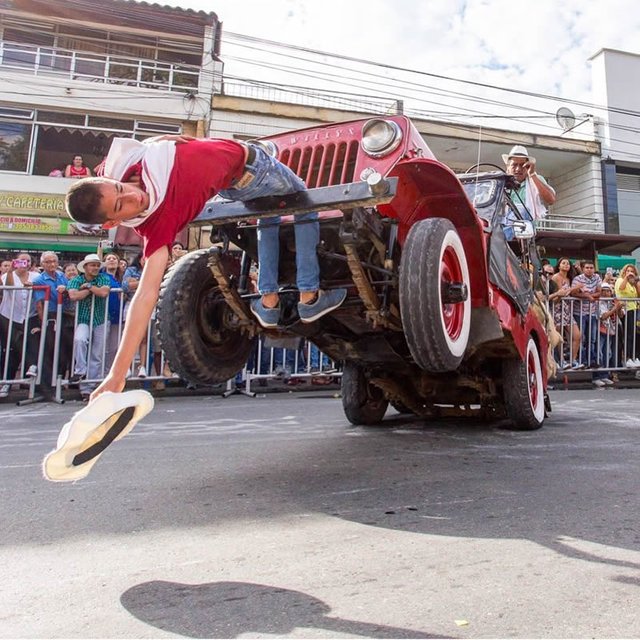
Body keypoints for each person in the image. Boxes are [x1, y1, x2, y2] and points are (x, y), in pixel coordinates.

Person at [64, 135, 347, 400]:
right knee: (305, 205)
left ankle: (269, 299)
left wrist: (184, 142)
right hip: (252, 168)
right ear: (113, 224)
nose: (133, 197)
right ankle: (309, 295)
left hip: (232, 182)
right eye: (120, 205)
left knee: (268, 216)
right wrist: (117, 373)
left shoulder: (123, 165)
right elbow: (146, 295)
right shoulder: (159, 222)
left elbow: (160, 140)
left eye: (119, 189)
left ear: (109, 179)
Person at [67, 254, 110, 400]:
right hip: (83, 319)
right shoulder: (76, 280)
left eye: (97, 265)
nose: (96, 268)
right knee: (80, 340)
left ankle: (89, 387)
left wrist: (89, 287)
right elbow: (73, 296)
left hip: (101, 319)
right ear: (85, 267)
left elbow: (104, 292)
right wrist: (90, 290)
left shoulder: (103, 278)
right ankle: (80, 371)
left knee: (96, 355)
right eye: (93, 265)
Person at [32, 251, 68, 399]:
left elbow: (68, 291)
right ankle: (46, 387)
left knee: (63, 350)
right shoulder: (39, 280)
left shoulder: (61, 276)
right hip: (50, 316)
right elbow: (39, 304)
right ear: (42, 264)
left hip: (64, 315)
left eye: (54, 261)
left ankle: (58, 383)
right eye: (48, 262)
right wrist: (44, 322)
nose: (51, 264)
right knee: (49, 350)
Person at [502, 145, 556, 240]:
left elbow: (551, 200)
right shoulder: (501, 182)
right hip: (503, 228)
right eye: (514, 165)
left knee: (523, 210)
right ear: (508, 167)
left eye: (522, 165)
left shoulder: (535, 179)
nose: (518, 169)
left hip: (527, 233)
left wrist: (532, 174)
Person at [551, 257, 583, 370]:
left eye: (568, 263)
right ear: (559, 266)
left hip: (568, 310)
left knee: (577, 335)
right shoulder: (556, 277)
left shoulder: (570, 278)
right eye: (563, 263)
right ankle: (561, 360)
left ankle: (572, 360)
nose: (566, 265)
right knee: (559, 337)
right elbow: (562, 293)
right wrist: (575, 288)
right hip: (558, 309)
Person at [571, 260, 602, 368]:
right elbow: (574, 293)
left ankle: (591, 360)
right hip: (579, 312)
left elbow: (599, 291)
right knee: (581, 338)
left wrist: (589, 295)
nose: (589, 270)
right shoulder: (578, 279)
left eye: (591, 267)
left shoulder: (597, 277)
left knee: (592, 338)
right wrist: (587, 296)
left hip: (592, 312)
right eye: (587, 268)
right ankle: (582, 361)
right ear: (583, 269)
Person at [593, 282, 623, 387]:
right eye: (603, 290)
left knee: (608, 353)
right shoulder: (599, 302)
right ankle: (596, 377)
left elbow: (621, 314)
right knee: (599, 354)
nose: (606, 293)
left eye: (608, 290)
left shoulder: (612, 301)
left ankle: (604, 375)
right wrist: (615, 308)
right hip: (601, 330)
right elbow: (603, 316)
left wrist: (618, 307)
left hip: (610, 330)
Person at [101, 252, 125, 371]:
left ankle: (109, 371)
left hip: (117, 317)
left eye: (114, 258)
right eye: (108, 258)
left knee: (114, 347)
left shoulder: (120, 278)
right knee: (102, 346)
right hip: (104, 315)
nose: (111, 260)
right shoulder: (101, 277)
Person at [614, 263, 640, 368]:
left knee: (633, 334)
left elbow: (637, 295)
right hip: (626, 309)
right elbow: (621, 288)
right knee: (628, 334)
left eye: (632, 271)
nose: (630, 273)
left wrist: (636, 282)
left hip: (633, 309)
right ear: (624, 271)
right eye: (628, 271)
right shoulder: (620, 280)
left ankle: (633, 357)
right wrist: (626, 277)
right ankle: (627, 357)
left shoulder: (632, 284)